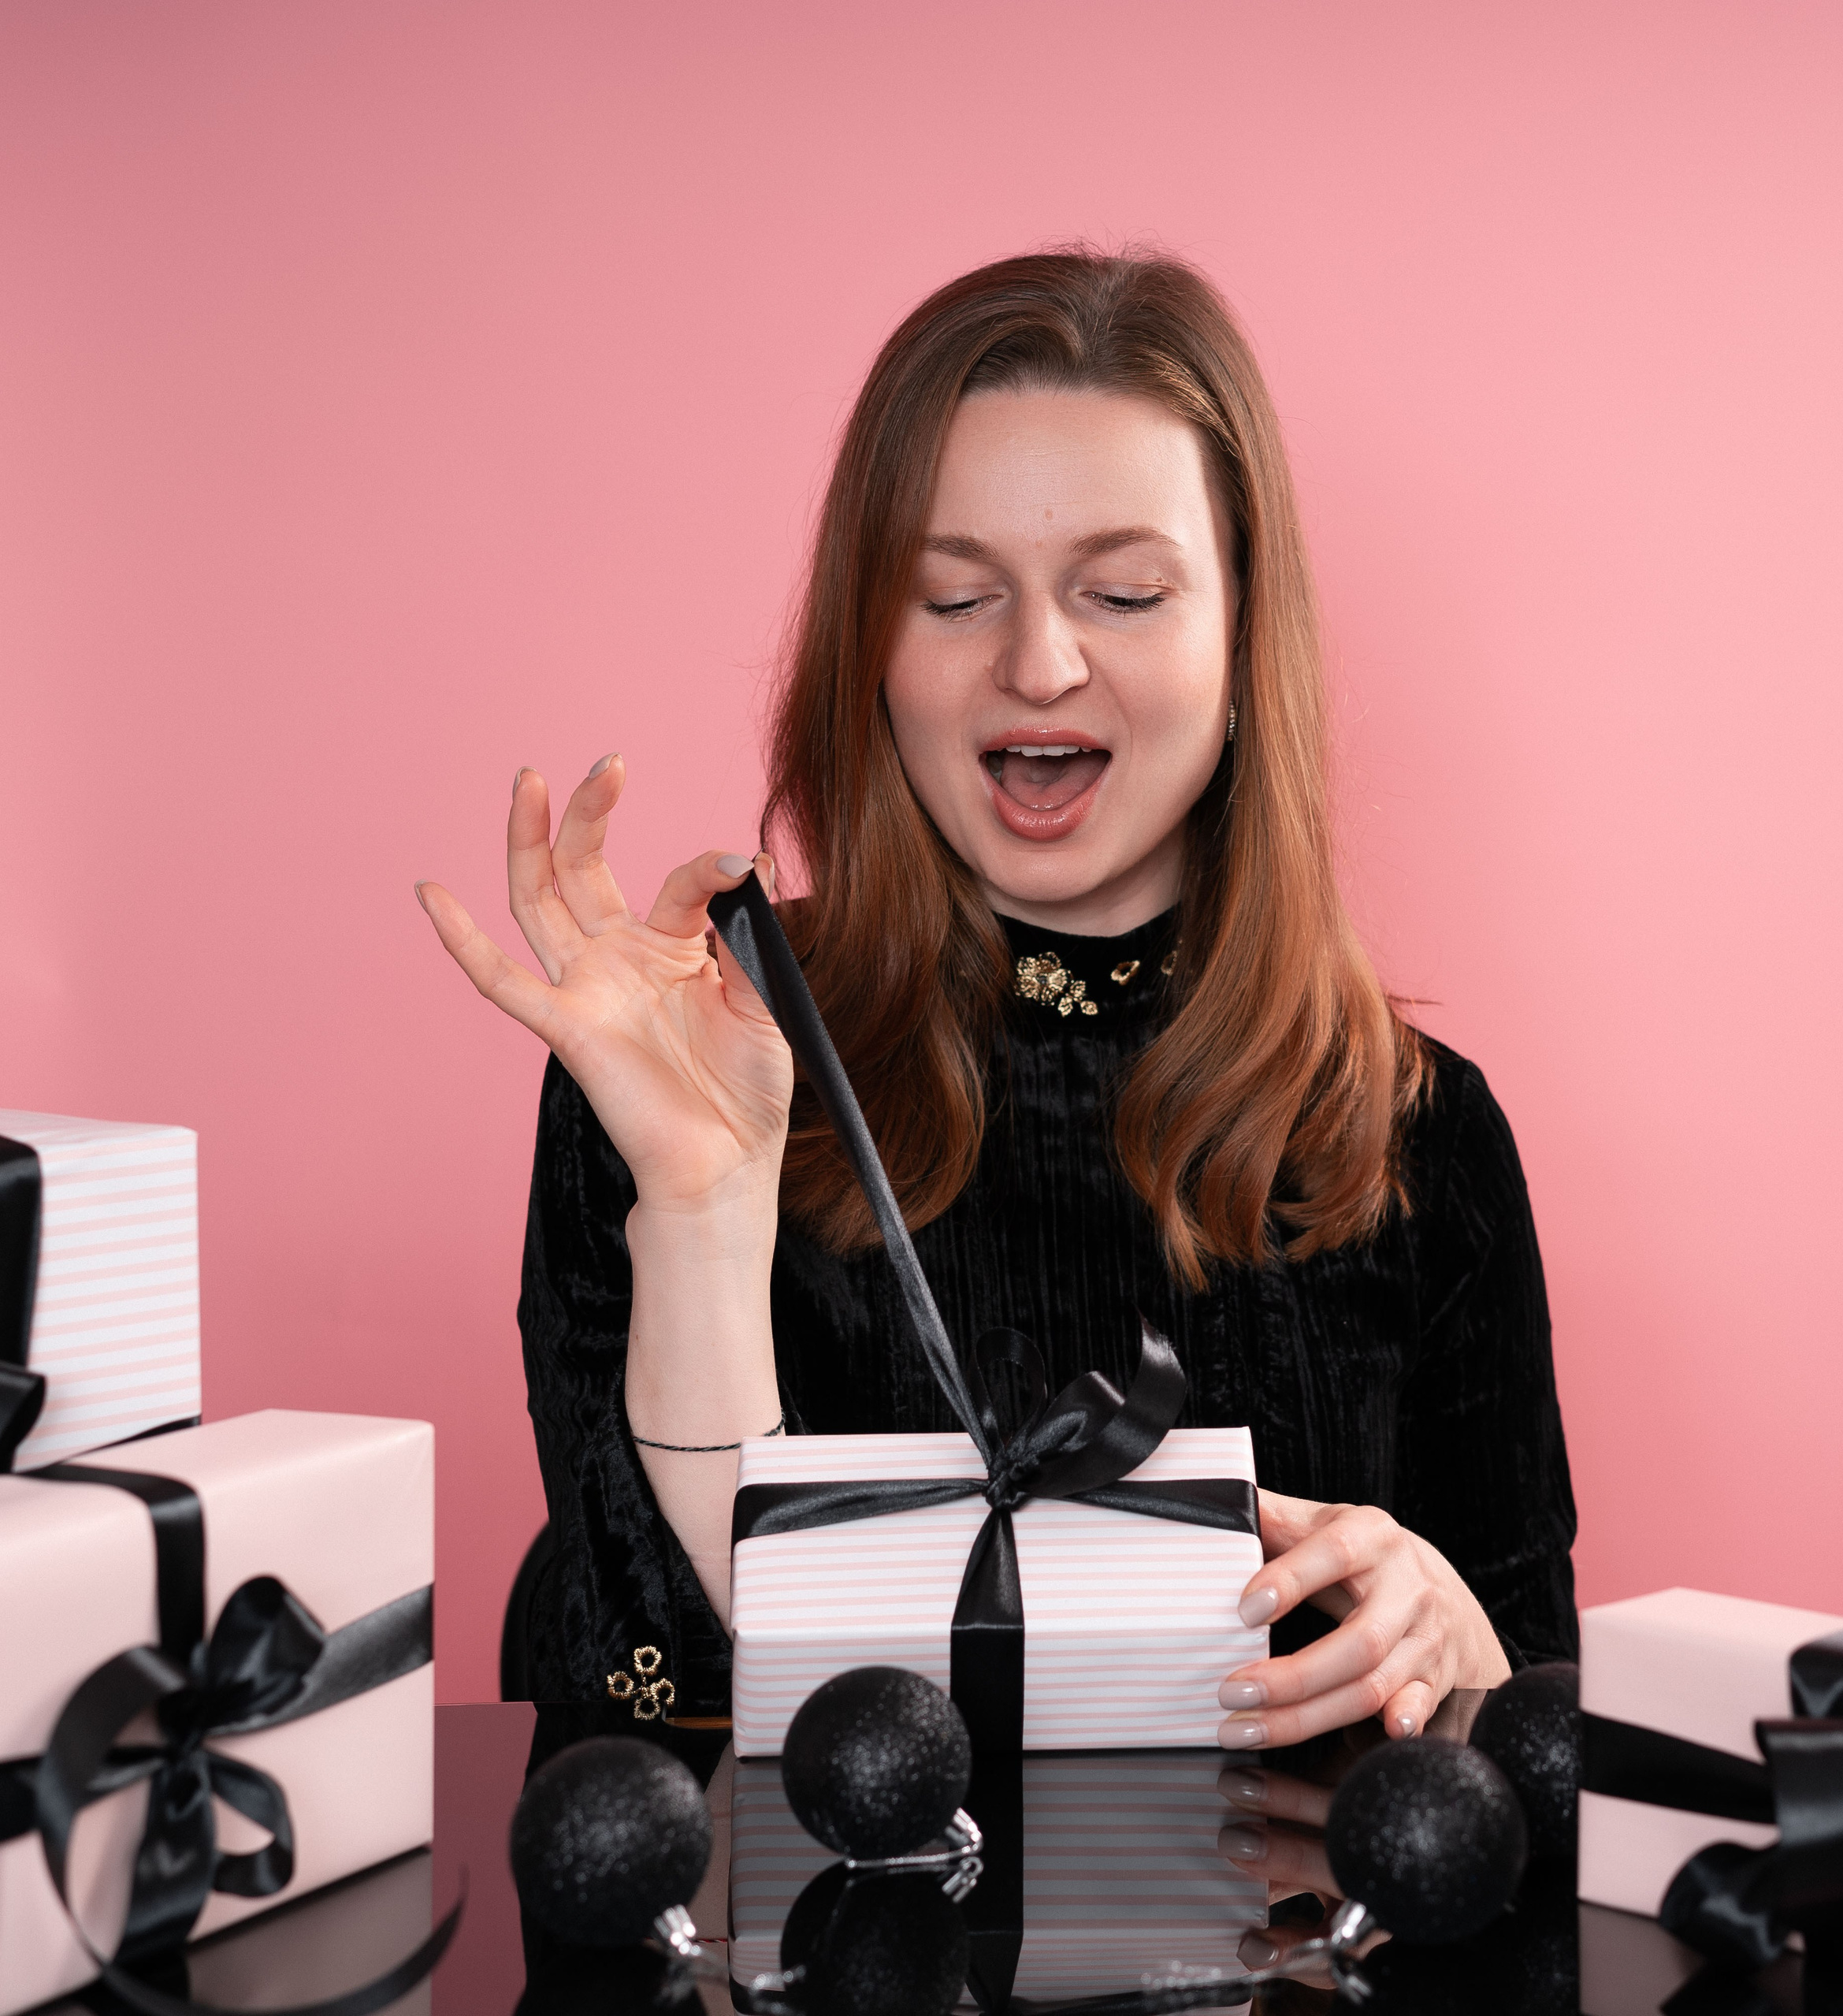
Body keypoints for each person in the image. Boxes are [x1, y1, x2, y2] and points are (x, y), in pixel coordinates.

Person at [417, 250, 1576, 1748]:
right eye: (955, 596)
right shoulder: (686, 1060)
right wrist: (701, 1211)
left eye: (1126, 591)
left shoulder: (1422, 1130)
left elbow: (1536, 1758)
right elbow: (651, 1704)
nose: (1038, 662)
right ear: (871, 657)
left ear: (1241, 642)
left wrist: (1462, 1648)